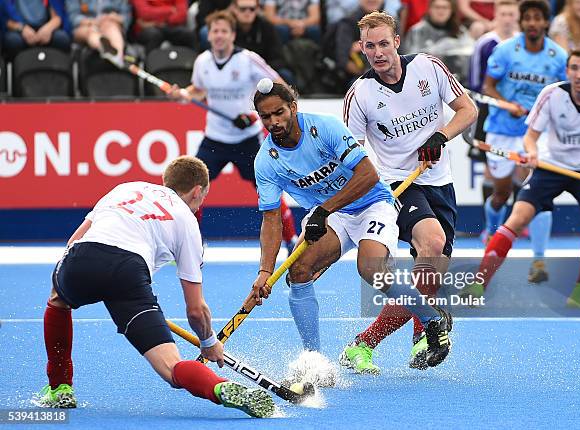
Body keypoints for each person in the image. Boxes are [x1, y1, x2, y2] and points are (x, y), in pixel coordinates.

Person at [36, 156, 275, 418]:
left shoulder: (126, 188)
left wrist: (82, 281)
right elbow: (196, 310)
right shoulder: (187, 223)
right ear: (198, 191)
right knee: (172, 369)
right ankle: (221, 388)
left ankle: (60, 389)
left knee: (58, 301)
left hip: (83, 257)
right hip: (129, 275)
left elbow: (73, 241)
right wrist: (208, 342)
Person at [250, 79, 454, 383]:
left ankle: (430, 318)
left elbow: (369, 175)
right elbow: (271, 219)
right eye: (266, 117)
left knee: (372, 270)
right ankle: (315, 360)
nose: (274, 122)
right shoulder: (266, 161)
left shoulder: (326, 127)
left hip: (373, 203)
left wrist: (324, 210)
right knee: (299, 271)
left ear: (293, 107)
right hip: (334, 215)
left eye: (279, 112)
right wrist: (265, 271)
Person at [341, 11, 477, 373]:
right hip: (396, 185)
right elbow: (348, 153)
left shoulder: (428, 68)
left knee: (429, 274)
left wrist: (440, 136)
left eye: (384, 43)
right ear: (363, 49)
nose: (378, 52)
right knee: (431, 242)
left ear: (397, 42)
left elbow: (467, 110)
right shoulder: (361, 94)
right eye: (370, 46)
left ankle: (378, 342)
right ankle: (418, 327)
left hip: (439, 182)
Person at [459, 50, 580, 308]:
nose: (579, 74)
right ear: (567, 72)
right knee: (517, 219)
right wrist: (531, 153)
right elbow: (531, 136)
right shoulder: (552, 94)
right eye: (574, 68)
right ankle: (478, 284)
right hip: (550, 166)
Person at [171, 10, 298, 250]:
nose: (219, 36)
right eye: (215, 31)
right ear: (209, 35)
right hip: (214, 139)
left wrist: (253, 116)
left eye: (224, 31)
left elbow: (279, 86)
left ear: (233, 35)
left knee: (269, 190)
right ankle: (192, 243)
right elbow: (198, 90)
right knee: (191, 188)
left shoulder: (248, 59)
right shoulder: (202, 62)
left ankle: (290, 239)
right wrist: (184, 95)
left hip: (247, 140)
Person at [480, 0, 567, 283]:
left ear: (545, 22)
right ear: (522, 22)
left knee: (537, 193)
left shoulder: (558, 56)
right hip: (502, 128)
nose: (532, 23)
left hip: (536, 134)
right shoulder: (505, 51)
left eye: (537, 18)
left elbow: (563, 94)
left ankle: (539, 260)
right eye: (527, 18)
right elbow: (488, 86)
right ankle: (492, 232)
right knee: (502, 193)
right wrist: (508, 104)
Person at [467, 0, 519, 213]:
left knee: (520, 164)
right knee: (491, 166)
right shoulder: (486, 43)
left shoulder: (521, 42)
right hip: (491, 110)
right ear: (496, 15)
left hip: (518, 112)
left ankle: (518, 217)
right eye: (504, 14)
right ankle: (491, 220)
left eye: (511, 14)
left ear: (517, 16)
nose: (507, 18)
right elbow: (476, 81)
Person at [230, 0, 294, 84]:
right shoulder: (228, 28)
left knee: (285, 74)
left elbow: (278, 58)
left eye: (252, 9)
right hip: (234, 70)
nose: (247, 12)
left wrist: (260, 68)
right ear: (234, 9)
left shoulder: (266, 27)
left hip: (263, 71)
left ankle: (290, 97)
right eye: (243, 9)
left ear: (257, 9)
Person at [1, 0, 71, 60]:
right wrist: (22, 29)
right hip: (19, 28)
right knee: (13, 41)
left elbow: (57, 18)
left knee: (62, 39)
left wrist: (48, 29)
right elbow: (5, 20)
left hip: (45, 27)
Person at [65, 0, 131, 63]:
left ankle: (118, 56)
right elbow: (73, 18)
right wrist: (94, 22)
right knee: (90, 32)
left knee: (111, 28)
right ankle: (108, 51)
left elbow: (126, 17)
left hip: (110, 24)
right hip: (85, 26)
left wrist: (114, 17)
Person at [131, 0, 197, 53]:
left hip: (169, 25)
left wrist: (161, 21)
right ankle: (149, 67)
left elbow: (182, 14)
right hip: (146, 29)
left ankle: (191, 66)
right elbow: (144, 13)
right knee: (154, 35)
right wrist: (170, 10)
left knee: (189, 35)